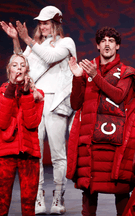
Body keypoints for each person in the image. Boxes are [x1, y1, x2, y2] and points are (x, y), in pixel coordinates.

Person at [1, 5, 77, 214]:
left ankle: (58, 198)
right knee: (37, 153)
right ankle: (38, 197)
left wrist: (28, 40)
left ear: (56, 23)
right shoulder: (36, 44)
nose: (43, 26)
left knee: (58, 153)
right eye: (41, 23)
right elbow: (22, 62)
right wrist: (17, 39)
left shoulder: (66, 43)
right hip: (35, 100)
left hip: (56, 102)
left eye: (47, 22)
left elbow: (51, 58)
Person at [66, 26, 135, 216]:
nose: (107, 43)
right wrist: (77, 77)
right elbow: (76, 104)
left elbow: (119, 96)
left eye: (111, 40)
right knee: (89, 188)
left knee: (121, 188)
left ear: (117, 46)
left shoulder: (127, 72)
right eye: (103, 40)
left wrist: (95, 76)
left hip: (117, 139)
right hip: (90, 137)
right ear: (98, 46)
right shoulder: (86, 70)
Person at [0, 54, 44, 215]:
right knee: (1, 201)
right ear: (8, 70)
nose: (18, 68)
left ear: (27, 71)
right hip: (5, 154)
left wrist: (26, 95)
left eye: (22, 65)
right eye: (14, 65)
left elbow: (32, 123)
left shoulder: (37, 94)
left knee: (28, 204)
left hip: (29, 154)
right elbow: (3, 123)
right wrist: (10, 90)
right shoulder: (1, 93)